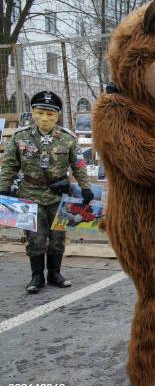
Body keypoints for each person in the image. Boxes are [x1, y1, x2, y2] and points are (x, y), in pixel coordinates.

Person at [0, 90, 94, 294]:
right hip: (29, 195)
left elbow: (78, 164)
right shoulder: (19, 137)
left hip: (58, 197)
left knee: (58, 237)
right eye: (40, 113)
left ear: (57, 116)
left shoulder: (67, 139)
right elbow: (9, 166)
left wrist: (85, 187)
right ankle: (37, 276)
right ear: (32, 112)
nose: (44, 118)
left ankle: (55, 273)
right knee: (35, 238)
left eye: (50, 114)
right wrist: (3, 188)